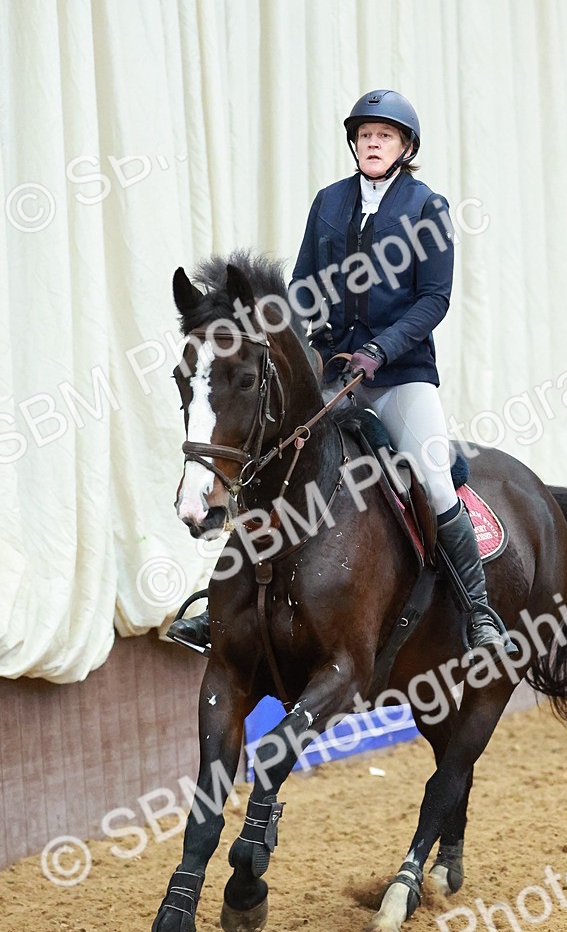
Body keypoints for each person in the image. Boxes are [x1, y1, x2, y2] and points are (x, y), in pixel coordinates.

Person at [169, 89, 509, 659]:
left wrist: (382, 348)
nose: (373, 144)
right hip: (334, 370)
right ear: (354, 144)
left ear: (405, 147)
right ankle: (221, 605)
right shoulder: (328, 202)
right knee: (268, 464)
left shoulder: (428, 208)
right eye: (365, 136)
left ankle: (477, 612)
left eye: (385, 136)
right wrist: (302, 347)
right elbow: (302, 287)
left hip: (401, 375)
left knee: (429, 474)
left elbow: (434, 300)